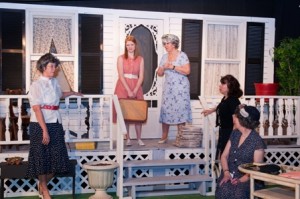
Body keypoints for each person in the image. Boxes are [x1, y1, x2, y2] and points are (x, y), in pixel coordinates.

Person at [26, 53, 83, 199]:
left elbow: (60, 95)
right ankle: (45, 191)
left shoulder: (54, 82)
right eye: (51, 66)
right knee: (41, 158)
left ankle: (42, 184)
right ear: (43, 67)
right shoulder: (36, 85)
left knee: (58, 158)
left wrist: (74, 93)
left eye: (55, 66)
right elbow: (37, 109)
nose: (54, 68)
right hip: (40, 124)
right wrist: (44, 131)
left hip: (55, 122)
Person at [215, 104, 266, 199]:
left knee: (238, 193)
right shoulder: (235, 133)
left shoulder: (257, 141)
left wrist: (240, 180)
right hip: (229, 173)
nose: (233, 118)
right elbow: (224, 156)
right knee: (224, 189)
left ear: (242, 120)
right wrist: (226, 173)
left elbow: (256, 168)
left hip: (248, 177)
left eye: (236, 116)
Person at [156, 34, 192, 144]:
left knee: (180, 110)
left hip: (181, 88)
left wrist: (172, 67)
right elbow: (160, 73)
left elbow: (187, 71)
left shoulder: (182, 55)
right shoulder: (164, 57)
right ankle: (164, 136)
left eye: (167, 43)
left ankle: (180, 138)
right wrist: (162, 68)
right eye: (164, 43)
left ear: (174, 44)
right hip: (169, 88)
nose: (165, 45)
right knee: (166, 110)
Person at [113, 35, 145, 146]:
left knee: (138, 113)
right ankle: (128, 139)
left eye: (131, 45)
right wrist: (128, 90)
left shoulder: (140, 59)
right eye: (127, 45)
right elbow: (121, 75)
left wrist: (135, 90)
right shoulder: (121, 58)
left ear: (135, 45)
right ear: (125, 46)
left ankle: (139, 138)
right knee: (125, 114)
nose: (130, 47)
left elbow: (141, 77)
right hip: (123, 87)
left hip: (136, 86)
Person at [202, 74, 243, 159]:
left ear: (230, 86)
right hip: (223, 131)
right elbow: (221, 106)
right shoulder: (225, 98)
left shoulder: (233, 100)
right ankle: (224, 171)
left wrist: (233, 137)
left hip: (230, 132)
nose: (220, 85)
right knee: (223, 156)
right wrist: (211, 110)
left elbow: (236, 121)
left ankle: (227, 172)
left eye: (223, 83)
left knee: (227, 157)